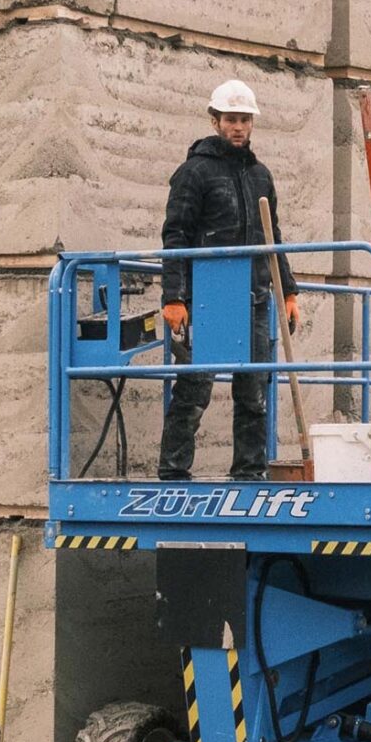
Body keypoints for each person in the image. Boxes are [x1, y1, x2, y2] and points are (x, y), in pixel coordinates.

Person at [157, 79, 298, 482]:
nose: (238, 127)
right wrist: (174, 297)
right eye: (231, 119)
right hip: (208, 298)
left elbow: (273, 237)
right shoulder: (194, 173)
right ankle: (172, 473)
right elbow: (176, 235)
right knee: (194, 390)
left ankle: (249, 475)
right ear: (215, 120)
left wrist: (288, 291)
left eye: (244, 120)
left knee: (253, 391)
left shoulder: (260, 175)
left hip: (254, 295)